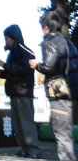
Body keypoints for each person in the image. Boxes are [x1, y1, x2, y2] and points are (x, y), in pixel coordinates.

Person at [29, 11, 78, 161]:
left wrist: (37, 65)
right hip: (71, 90)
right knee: (63, 129)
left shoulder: (50, 41)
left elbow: (49, 66)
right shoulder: (67, 42)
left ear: (45, 28)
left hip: (58, 88)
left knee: (61, 131)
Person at [0, 24, 40, 159]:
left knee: (26, 122)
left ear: (14, 37)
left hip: (23, 92)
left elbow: (24, 69)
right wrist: (1, 74)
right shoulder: (12, 52)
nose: (6, 41)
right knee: (18, 124)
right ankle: (24, 149)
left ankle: (33, 150)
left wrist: (5, 65)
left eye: (7, 38)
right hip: (14, 92)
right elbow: (12, 72)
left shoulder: (26, 51)